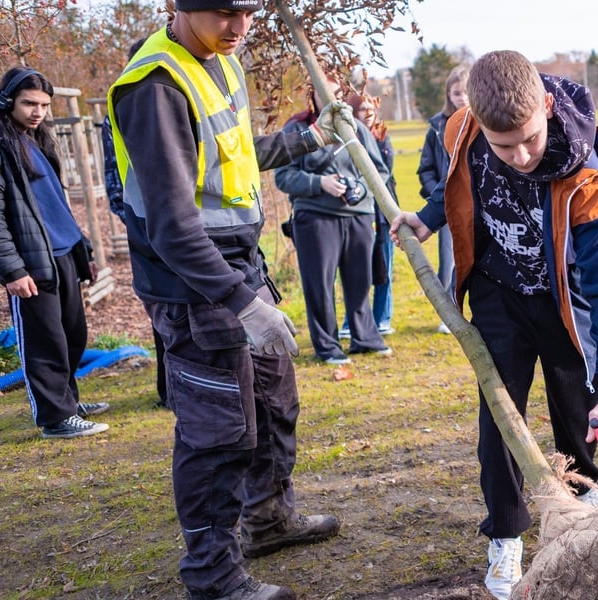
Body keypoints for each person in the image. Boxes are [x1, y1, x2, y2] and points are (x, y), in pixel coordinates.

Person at [107, 2, 347, 598]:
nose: (238, 28)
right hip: (193, 284)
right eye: (222, 13)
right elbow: (172, 224)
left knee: (272, 401)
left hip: (240, 265)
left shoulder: (219, 60)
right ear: (177, 7)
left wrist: (303, 139)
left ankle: (268, 520)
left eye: (246, 13)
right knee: (218, 431)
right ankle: (212, 574)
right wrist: (243, 302)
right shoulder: (156, 86)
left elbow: (231, 157)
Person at [390, 50, 598, 600]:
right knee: (501, 415)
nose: (523, 155)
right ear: (478, 123)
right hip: (497, 295)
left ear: (548, 107)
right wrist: (428, 218)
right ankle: (506, 531)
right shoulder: (461, 131)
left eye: (530, 138)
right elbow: (457, 180)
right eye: (505, 146)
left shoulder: (583, 176)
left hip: (558, 298)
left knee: (574, 404)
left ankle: (579, 497)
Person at [0, 67, 111, 438]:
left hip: (61, 253)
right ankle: (55, 418)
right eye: (29, 103)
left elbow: (56, 202)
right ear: (7, 100)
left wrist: (82, 249)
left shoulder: (37, 139)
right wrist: (11, 270)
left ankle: (68, 403)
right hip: (29, 260)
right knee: (45, 341)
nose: (38, 111)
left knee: (72, 335)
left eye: (43, 104)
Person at [274, 80, 393, 365]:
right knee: (319, 285)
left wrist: (361, 188)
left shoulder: (358, 130)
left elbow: (380, 171)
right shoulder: (296, 129)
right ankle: (327, 346)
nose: (332, 98)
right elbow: (283, 177)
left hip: (358, 216)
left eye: (338, 93)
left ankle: (365, 338)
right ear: (312, 93)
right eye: (325, 91)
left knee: (360, 281)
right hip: (314, 218)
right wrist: (320, 183)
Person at [102, 38, 169, 408]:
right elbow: (115, 179)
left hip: (186, 225)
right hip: (149, 230)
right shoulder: (122, 106)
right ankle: (169, 390)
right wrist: (141, 220)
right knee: (165, 312)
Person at [415, 66, 468, 334]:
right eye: (457, 92)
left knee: (470, 262)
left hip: (472, 207)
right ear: (449, 94)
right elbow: (425, 168)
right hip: (445, 207)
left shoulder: (481, 122)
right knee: (448, 263)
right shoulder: (436, 127)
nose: (462, 98)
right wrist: (439, 198)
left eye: (467, 92)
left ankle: (462, 310)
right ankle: (447, 314)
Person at [340, 91, 397, 337]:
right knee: (356, 270)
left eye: (371, 107)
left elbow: (385, 173)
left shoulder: (383, 139)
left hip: (382, 213)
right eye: (362, 108)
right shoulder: (344, 139)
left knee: (385, 265)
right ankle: (350, 322)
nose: (368, 112)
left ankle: (382, 317)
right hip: (355, 213)